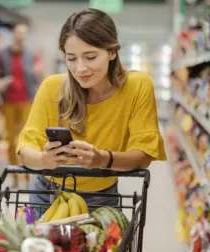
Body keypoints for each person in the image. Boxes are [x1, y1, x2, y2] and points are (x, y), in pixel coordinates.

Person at [16, 8, 167, 211]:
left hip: (101, 198)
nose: (80, 69)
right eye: (71, 58)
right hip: (46, 195)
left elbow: (143, 155)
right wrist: (44, 159)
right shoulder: (52, 87)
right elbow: (25, 151)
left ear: (112, 51)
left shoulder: (137, 86)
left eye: (90, 56)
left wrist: (102, 159)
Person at [0, 22, 44, 188]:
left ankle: (28, 176)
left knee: (27, 140)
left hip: (26, 102)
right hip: (8, 101)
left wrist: (39, 74)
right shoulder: (2, 55)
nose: (21, 36)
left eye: (24, 33)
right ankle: (14, 175)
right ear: (13, 34)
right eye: (18, 33)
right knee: (10, 140)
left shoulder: (31, 55)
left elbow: (39, 76)